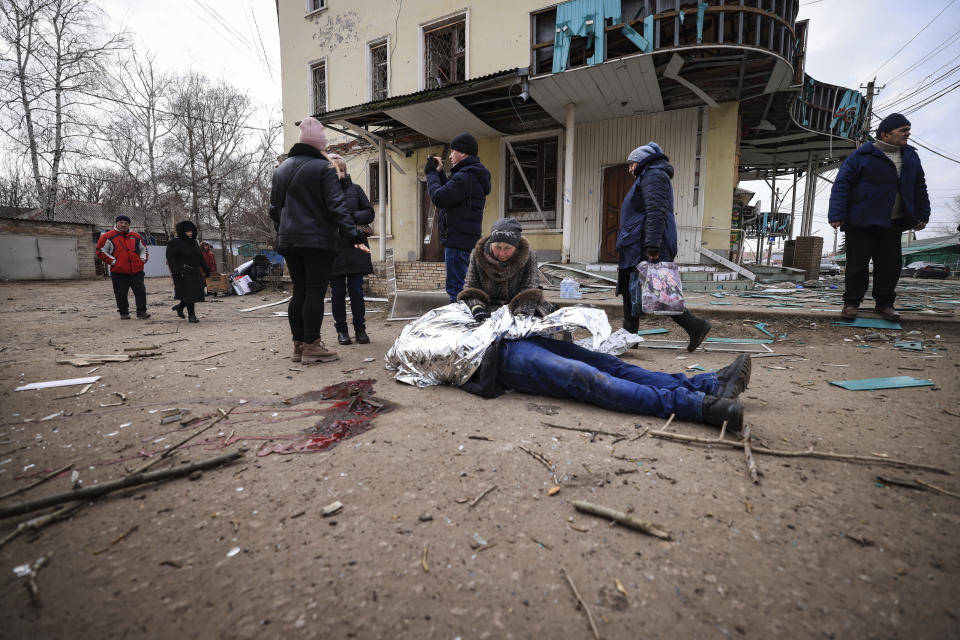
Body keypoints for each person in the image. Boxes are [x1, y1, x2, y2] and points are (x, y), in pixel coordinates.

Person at [458, 220, 751, 431]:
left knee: (608, 364)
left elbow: (531, 291)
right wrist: (480, 313)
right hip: (498, 350)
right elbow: (467, 294)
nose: (501, 253)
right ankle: (696, 406)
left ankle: (709, 384)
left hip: (525, 329)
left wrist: (520, 316)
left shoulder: (525, 257)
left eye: (506, 248)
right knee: (586, 376)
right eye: (497, 247)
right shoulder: (474, 264)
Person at [269, 116, 369, 364]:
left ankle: (298, 346)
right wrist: (355, 235)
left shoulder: (281, 169)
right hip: (317, 242)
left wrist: (283, 231)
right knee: (314, 292)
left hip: (289, 241)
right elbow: (336, 208)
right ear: (319, 144)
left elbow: (274, 209)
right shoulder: (324, 168)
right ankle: (313, 345)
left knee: (299, 292)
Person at [828, 113, 930, 322]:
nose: (907, 134)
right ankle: (851, 303)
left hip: (893, 223)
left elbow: (919, 186)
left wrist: (922, 214)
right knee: (857, 265)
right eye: (902, 130)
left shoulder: (910, 156)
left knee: (890, 266)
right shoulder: (861, 156)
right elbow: (842, 185)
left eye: (908, 130)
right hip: (861, 221)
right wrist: (837, 214)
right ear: (885, 134)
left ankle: (884, 304)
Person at [616, 142, 712, 352]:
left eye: (631, 164)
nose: (630, 169)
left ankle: (696, 326)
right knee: (631, 292)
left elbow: (657, 211)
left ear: (640, 161)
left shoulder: (654, 175)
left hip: (644, 246)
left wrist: (652, 246)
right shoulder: (649, 175)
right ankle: (629, 339)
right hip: (636, 245)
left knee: (661, 294)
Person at [424, 132, 491, 302]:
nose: (451, 156)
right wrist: (439, 174)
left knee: (457, 289)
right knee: (464, 287)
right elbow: (450, 194)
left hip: (458, 240)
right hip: (465, 238)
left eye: (453, 151)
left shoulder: (465, 176)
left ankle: (461, 324)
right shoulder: (470, 175)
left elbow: (440, 198)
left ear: (462, 152)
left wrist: (431, 174)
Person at [328, 153, 374, 346]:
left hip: (356, 246)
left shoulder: (356, 189)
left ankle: (360, 330)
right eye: (335, 170)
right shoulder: (324, 193)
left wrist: (351, 217)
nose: (340, 173)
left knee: (356, 291)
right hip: (334, 249)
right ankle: (342, 331)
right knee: (337, 293)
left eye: (342, 169)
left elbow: (369, 212)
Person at [95, 215, 150, 320]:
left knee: (140, 291)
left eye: (126, 223)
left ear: (129, 224)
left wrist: (142, 260)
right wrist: (113, 262)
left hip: (137, 271)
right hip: (119, 271)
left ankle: (142, 312)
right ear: (116, 223)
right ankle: (124, 312)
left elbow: (144, 249)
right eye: (121, 222)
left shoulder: (136, 236)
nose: (123, 225)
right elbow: (100, 251)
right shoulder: (107, 236)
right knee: (121, 293)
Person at [165, 221, 209, 323]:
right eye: (188, 232)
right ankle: (192, 315)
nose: (190, 234)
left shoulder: (194, 242)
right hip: (183, 272)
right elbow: (171, 259)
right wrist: (176, 273)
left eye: (192, 231)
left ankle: (180, 307)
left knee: (196, 293)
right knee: (189, 294)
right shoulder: (174, 243)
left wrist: (206, 269)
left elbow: (200, 257)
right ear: (182, 231)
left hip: (195, 272)